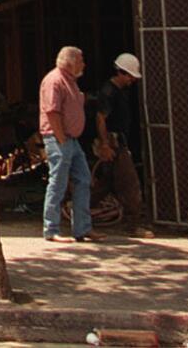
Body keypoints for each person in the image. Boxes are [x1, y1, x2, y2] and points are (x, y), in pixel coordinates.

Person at [87, 52, 150, 236]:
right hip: (114, 144)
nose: (132, 80)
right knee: (130, 184)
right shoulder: (109, 92)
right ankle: (133, 224)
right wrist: (105, 145)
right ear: (121, 73)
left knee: (104, 185)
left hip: (116, 142)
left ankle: (80, 211)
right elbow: (101, 118)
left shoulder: (119, 91)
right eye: (130, 76)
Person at [39, 45, 94, 244]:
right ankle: (51, 229)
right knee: (58, 182)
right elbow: (52, 111)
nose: (83, 64)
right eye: (80, 60)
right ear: (69, 62)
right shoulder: (54, 81)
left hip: (71, 139)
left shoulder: (70, 81)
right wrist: (61, 138)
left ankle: (83, 228)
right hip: (59, 139)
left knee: (83, 179)